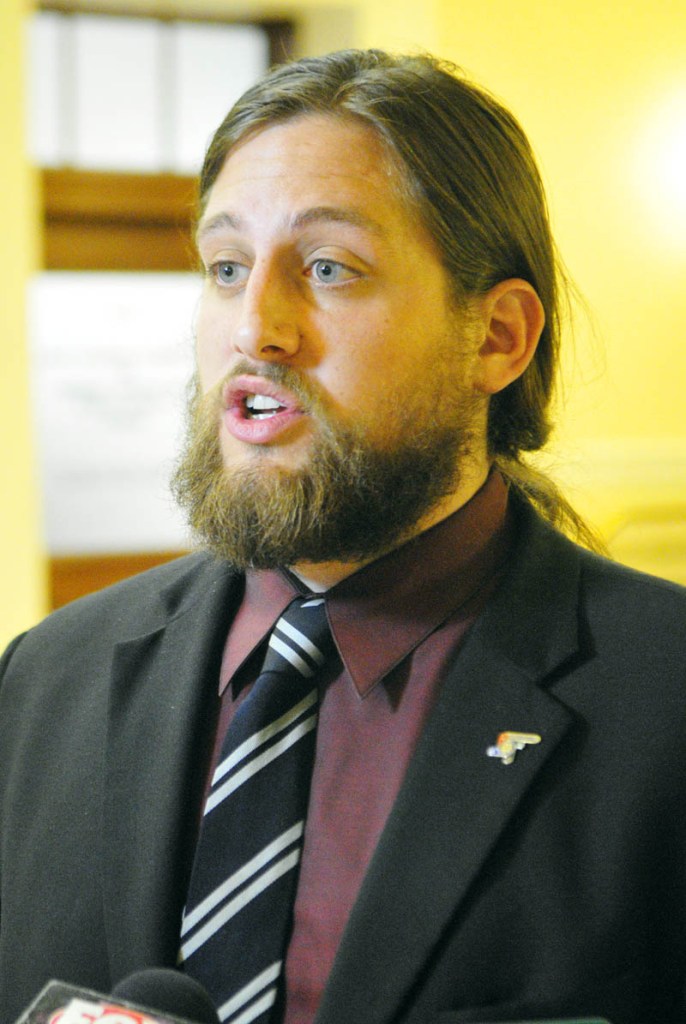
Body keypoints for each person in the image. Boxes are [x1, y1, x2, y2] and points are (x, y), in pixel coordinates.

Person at [1, 47, 685, 1024]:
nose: (256, 330)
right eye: (226, 268)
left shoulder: (664, 701)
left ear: (497, 336)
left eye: (327, 268)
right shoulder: (41, 681)